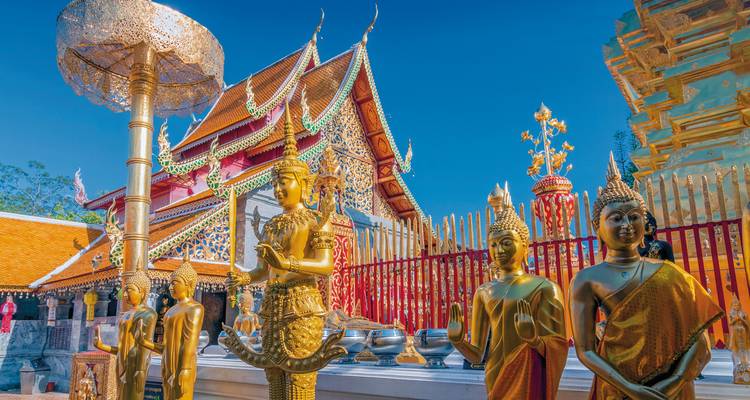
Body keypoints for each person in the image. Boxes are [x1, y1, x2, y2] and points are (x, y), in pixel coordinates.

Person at [569, 153, 723, 399]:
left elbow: (699, 337)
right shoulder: (587, 279)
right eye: (616, 218)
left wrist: (674, 381)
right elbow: (586, 351)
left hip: (673, 382)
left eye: (634, 216)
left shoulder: (668, 273)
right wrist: (633, 390)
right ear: (597, 227)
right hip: (619, 384)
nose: (627, 224)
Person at [447, 183, 567, 399]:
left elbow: (558, 349)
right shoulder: (484, 292)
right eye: (493, 245)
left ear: (525, 246)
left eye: (506, 242)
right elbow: (477, 356)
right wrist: (458, 341)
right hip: (495, 377)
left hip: (529, 379)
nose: (498, 250)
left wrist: (534, 340)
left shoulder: (545, 288)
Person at [137, 256, 204, 400]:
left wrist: (185, 369)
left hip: (183, 366)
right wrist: (144, 342)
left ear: (189, 284)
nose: (171, 287)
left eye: (175, 283)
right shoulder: (170, 312)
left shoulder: (195, 308)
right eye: (170, 284)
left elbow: (189, 343)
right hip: (167, 366)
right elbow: (164, 348)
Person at [93, 262, 157, 400]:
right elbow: (122, 349)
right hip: (121, 364)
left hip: (136, 365)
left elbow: (144, 346)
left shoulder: (149, 314)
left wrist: (140, 369)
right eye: (125, 290)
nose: (126, 294)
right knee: (120, 396)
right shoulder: (126, 315)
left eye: (130, 290)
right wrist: (102, 346)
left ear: (142, 292)